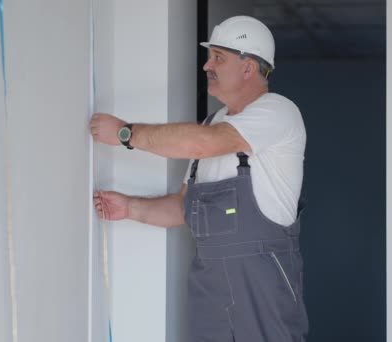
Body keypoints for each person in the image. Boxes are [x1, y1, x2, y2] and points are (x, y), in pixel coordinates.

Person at [90, 15, 308, 342]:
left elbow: (202, 145)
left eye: (218, 58)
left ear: (248, 68)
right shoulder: (210, 124)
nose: (207, 66)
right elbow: (182, 206)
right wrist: (130, 208)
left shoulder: (278, 112)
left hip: (261, 281)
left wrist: (125, 133)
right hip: (209, 287)